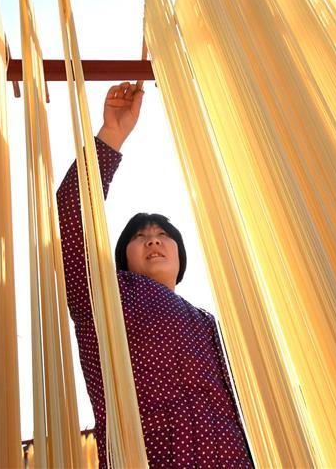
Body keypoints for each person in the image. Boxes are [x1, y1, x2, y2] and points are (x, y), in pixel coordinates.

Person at [56, 81, 253, 468]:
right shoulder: (107, 295)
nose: (153, 241)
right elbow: (72, 213)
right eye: (140, 236)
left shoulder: (208, 321)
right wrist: (112, 134)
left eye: (164, 235)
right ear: (121, 257)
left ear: (181, 255)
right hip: (149, 455)